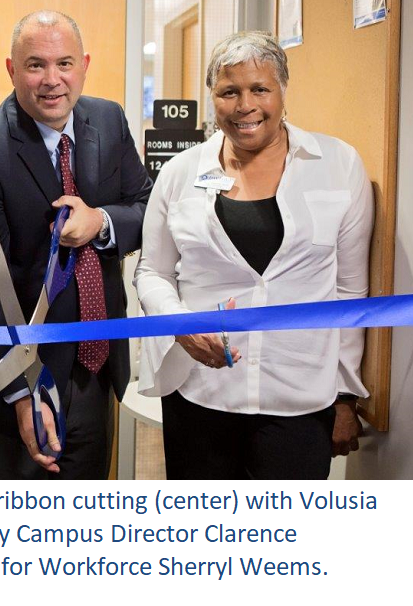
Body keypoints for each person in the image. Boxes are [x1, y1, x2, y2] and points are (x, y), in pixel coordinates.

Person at [134, 31, 373, 480]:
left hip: (300, 397)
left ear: (283, 90)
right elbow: (152, 271)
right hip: (202, 395)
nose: (245, 105)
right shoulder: (179, 174)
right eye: (229, 91)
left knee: (285, 541)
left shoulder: (339, 165)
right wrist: (178, 322)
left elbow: (349, 291)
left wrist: (345, 397)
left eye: (260, 89)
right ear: (212, 98)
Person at [0, 10, 153, 480]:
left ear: (85, 65)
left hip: (95, 373)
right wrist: (20, 390)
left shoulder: (108, 119)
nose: (52, 80)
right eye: (35, 65)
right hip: (17, 384)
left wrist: (100, 220)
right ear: (11, 70)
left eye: (65, 63)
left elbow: (147, 209)